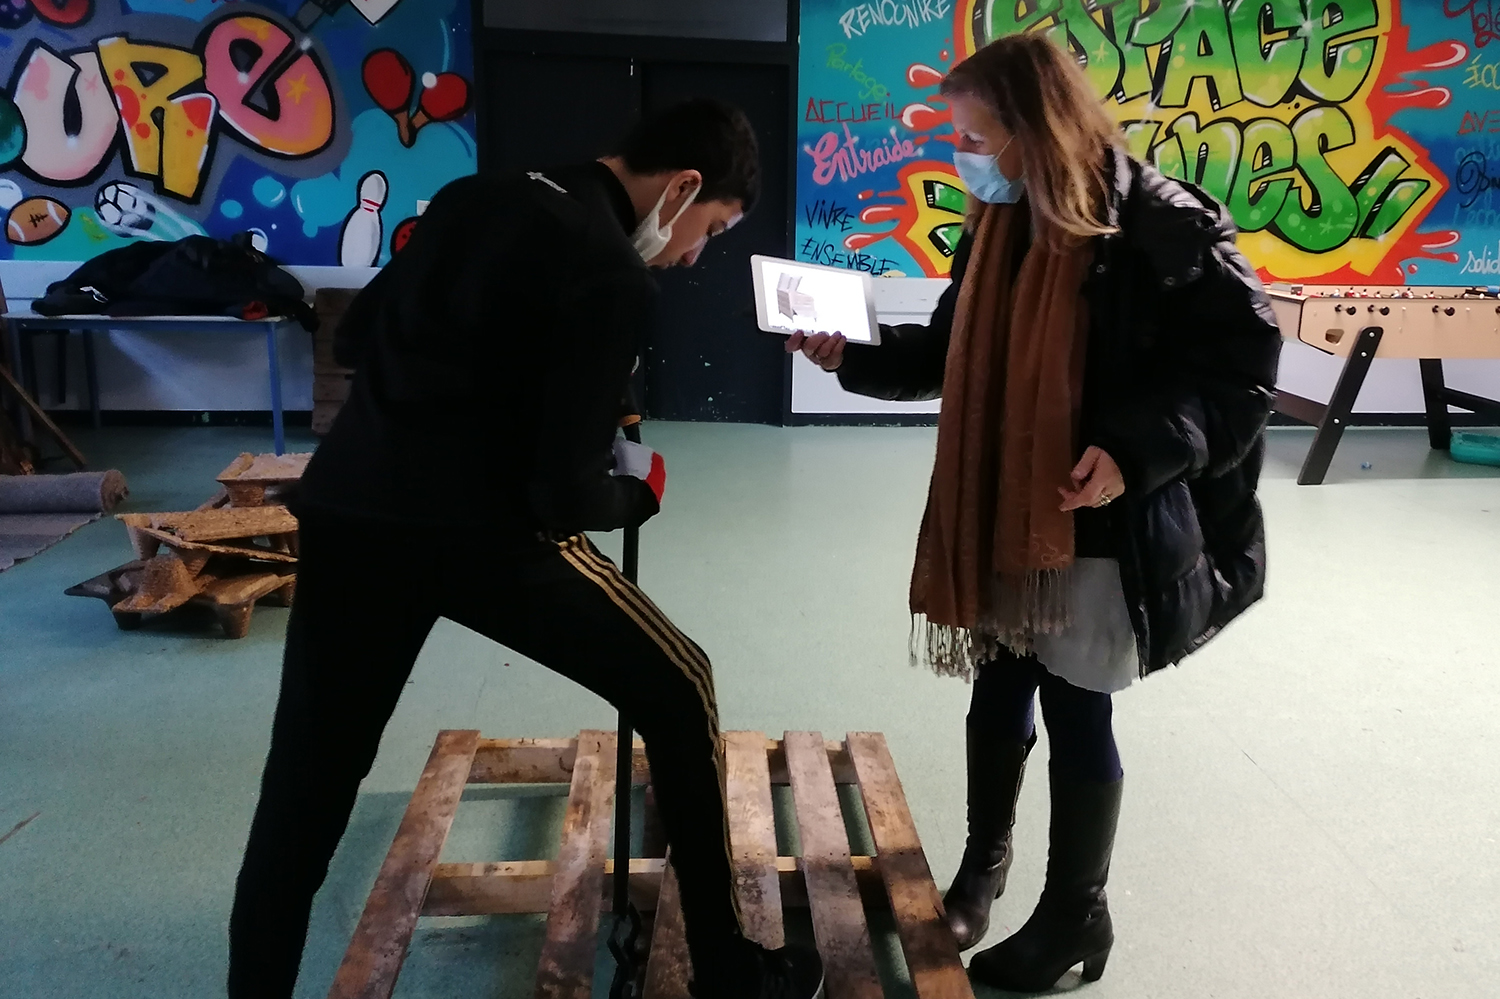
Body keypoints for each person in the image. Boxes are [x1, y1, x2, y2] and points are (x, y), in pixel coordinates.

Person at [229, 99, 824, 999]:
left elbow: (355, 337)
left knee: (305, 787)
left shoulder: (477, 197)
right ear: (684, 187)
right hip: (487, 538)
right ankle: (732, 971)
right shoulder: (614, 278)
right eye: (711, 229)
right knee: (681, 682)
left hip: (354, 515)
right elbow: (564, 495)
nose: (696, 252)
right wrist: (640, 487)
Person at [788, 34, 1280, 993]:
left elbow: (1239, 371)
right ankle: (983, 870)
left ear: (1031, 127)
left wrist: (1134, 453)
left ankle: (1074, 914)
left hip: (1096, 515)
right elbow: (946, 350)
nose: (962, 154)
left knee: (1075, 701)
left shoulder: (1162, 226)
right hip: (1005, 502)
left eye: (975, 134)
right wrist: (849, 354)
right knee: (1000, 684)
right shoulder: (997, 219)